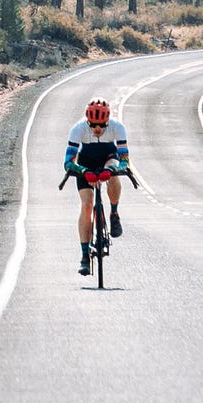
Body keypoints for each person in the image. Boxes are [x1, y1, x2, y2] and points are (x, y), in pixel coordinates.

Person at [63, 97, 130, 275]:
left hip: (108, 157)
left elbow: (124, 161)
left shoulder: (118, 127)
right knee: (86, 205)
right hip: (85, 164)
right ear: (88, 121)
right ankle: (85, 256)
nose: (98, 129)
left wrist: (116, 169)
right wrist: (83, 171)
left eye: (102, 125)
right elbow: (68, 163)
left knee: (113, 174)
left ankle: (114, 213)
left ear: (108, 121)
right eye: (93, 125)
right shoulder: (77, 129)